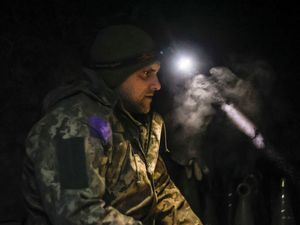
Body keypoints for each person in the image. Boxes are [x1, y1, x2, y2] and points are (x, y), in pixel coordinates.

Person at [22, 24, 202, 225]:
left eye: (157, 73)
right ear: (117, 75)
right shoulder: (71, 127)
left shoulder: (134, 121)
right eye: (146, 74)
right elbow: (78, 214)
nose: (157, 84)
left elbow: (161, 192)